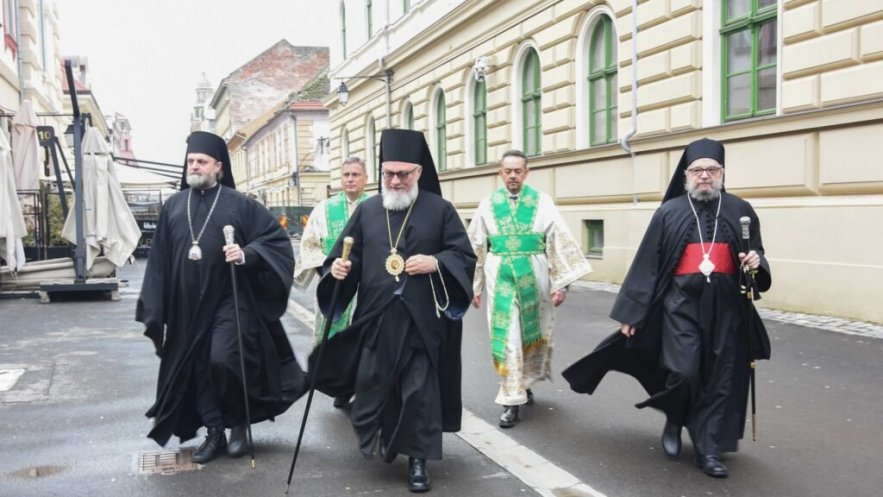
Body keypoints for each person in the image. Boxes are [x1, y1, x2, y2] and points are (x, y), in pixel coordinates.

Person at [562, 138, 771, 478]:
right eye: (698, 170)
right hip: (680, 307)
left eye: (712, 170)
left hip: (727, 309)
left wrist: (755, 261)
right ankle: (675, 418)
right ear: (687, 174)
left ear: (722, 173)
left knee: (720, 378)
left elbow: (757, 255)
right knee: (685, 372)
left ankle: (708, 449)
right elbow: (647, 264)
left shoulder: (740, 210)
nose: (705, 176)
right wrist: (633, 313)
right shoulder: (670, 211)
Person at [311, 128, 476, 493]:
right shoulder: (368, 210)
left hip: (420, 320)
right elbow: (343, 257)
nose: (397, 181)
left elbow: (464, 256)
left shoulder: (440, 209)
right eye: (389, 174)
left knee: (418, 389)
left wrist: (435, 262)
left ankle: (418, 461)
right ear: (381, 172)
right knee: (374, 386)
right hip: (375, 317)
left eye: (404, 173)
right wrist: (337, 270)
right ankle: (386, 441)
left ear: (419, 172)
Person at [136, 131, 306, 464]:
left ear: (218, 167)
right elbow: (158, 261)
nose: (194, 166)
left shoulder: (240, 204)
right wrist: (155, 307)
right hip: (187, 306)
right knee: (197, 369)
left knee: (223, 359)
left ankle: (239, 422)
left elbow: (275, 241)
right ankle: (214, 430)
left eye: (201, 161)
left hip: (230, 299)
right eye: (190, 161)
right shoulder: (173, 206)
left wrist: (245, 255)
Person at [467, 150, 592, 428]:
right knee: (507, 337)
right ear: (500, 172)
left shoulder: (541, 202)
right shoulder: (488, 204)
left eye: (517, 170)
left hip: (536, 281)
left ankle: (524, 382)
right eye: (507, 170)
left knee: (531, 336)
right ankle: (511, 400)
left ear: (526, 172)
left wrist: (562, 284)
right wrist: (474, 285)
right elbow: (475, 245)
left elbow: (558, 239)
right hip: (500, 281)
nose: (512, 175)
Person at [293, 156, 369, 408]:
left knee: (364, 336)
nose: (350, 179)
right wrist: (328, 267)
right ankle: (340, 386)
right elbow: (309, 245)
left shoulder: (376, 206)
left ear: (365, 179)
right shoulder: (324, 209)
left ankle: (362, 386)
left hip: (367, 286)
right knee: (335, 338)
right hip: (334, 284)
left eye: (355, 174)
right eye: (346, 174)